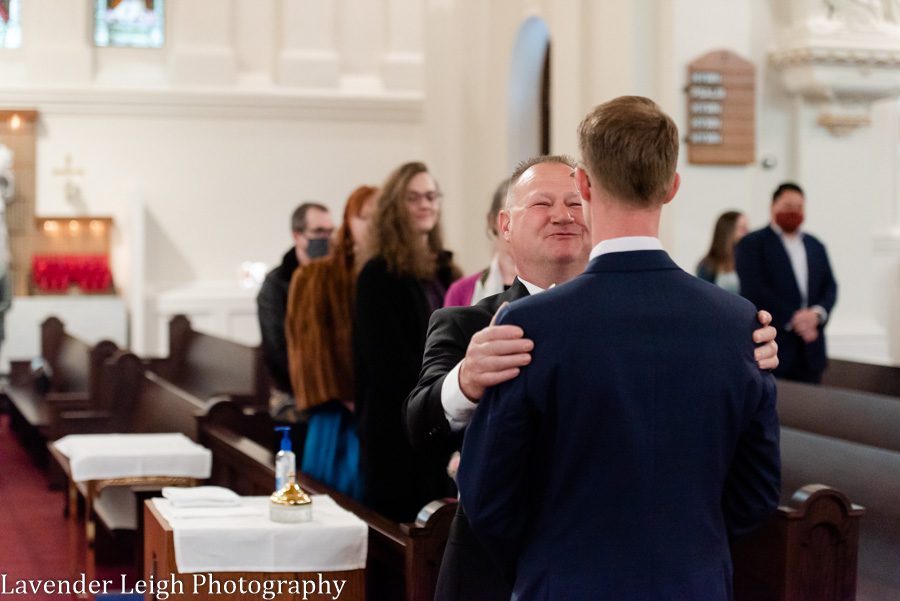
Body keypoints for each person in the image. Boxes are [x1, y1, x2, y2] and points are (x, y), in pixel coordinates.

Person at [406, 155, 780, 601]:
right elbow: (419, 429)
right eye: (542, 203)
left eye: (573, 201)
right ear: (505, 225)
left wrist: (745, 352)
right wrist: (465, 380)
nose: (562, 215)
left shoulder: (681, 322)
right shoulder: (465, 324)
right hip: (490, 572)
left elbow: (747, 477)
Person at [353, 161, 461, 522]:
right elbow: (388, 365)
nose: (425, 204)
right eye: (413, 198)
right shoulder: (380, 274)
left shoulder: (445, 269)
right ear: (394, 208)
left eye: (431, 196)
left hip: (439, 419)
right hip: (396, 430)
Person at [285, 186, 376, 498]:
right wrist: (348, 395)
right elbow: (309, 347)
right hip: (338, 409)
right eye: (366, 217)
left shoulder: (393, 273)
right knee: (338, 496)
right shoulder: (318, 276)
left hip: (381, 410)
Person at [736, 182, 838, 384]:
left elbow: (830, 286)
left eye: (799, 207)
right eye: (788, 206)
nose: (794, 212)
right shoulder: (753, 244)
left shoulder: (815, 245)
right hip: (774, 346)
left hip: (811, 347)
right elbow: (754, 289)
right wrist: (796, 320)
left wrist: (816, 315)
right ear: (773, 206)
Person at [257, 202, 334, 420]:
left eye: (330, 231)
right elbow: (277, 350)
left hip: (335, 389)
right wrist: (317, 386)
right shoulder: (277, 283)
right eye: (319, 231)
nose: (327, 238)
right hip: (294, 392)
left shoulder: (337, 278)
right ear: (298, 235)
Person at [443, 178, 516, 307]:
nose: (515, 225)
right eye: (508, 216)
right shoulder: (461, 292)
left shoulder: (549, 288)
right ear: (493, 220)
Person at [696, 210, 749, 294]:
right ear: (728, 231)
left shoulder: (749, 258)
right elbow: (705, 296)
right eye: (742, 229)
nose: (747, 233)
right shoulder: (708, 264)